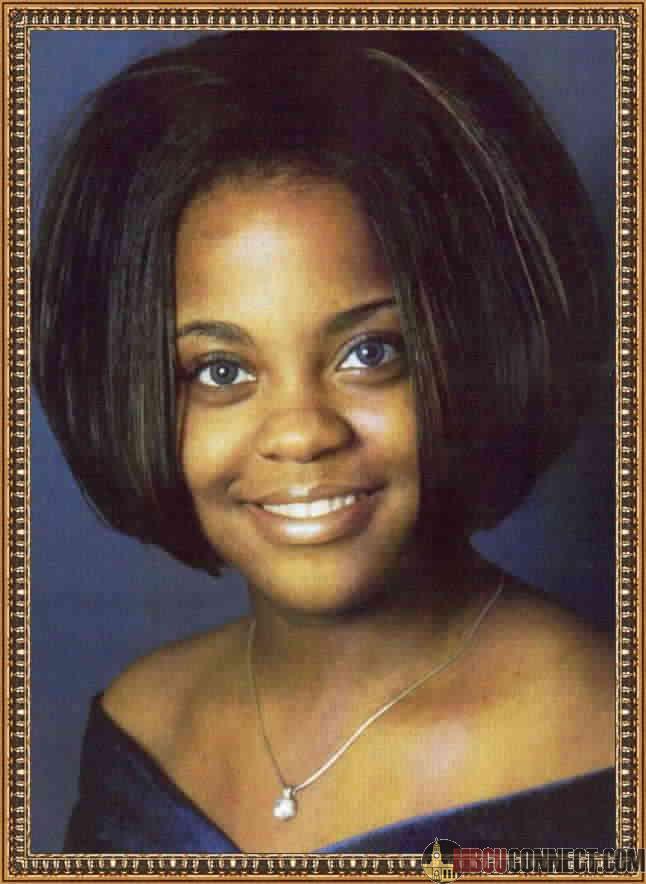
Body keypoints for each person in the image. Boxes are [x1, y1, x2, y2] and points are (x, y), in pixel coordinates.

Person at [32, 31, 614, 854]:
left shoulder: (605, 742)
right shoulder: (142, 728)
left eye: (370, 353)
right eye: (222, 370)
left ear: (476, 346)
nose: (302, 433)